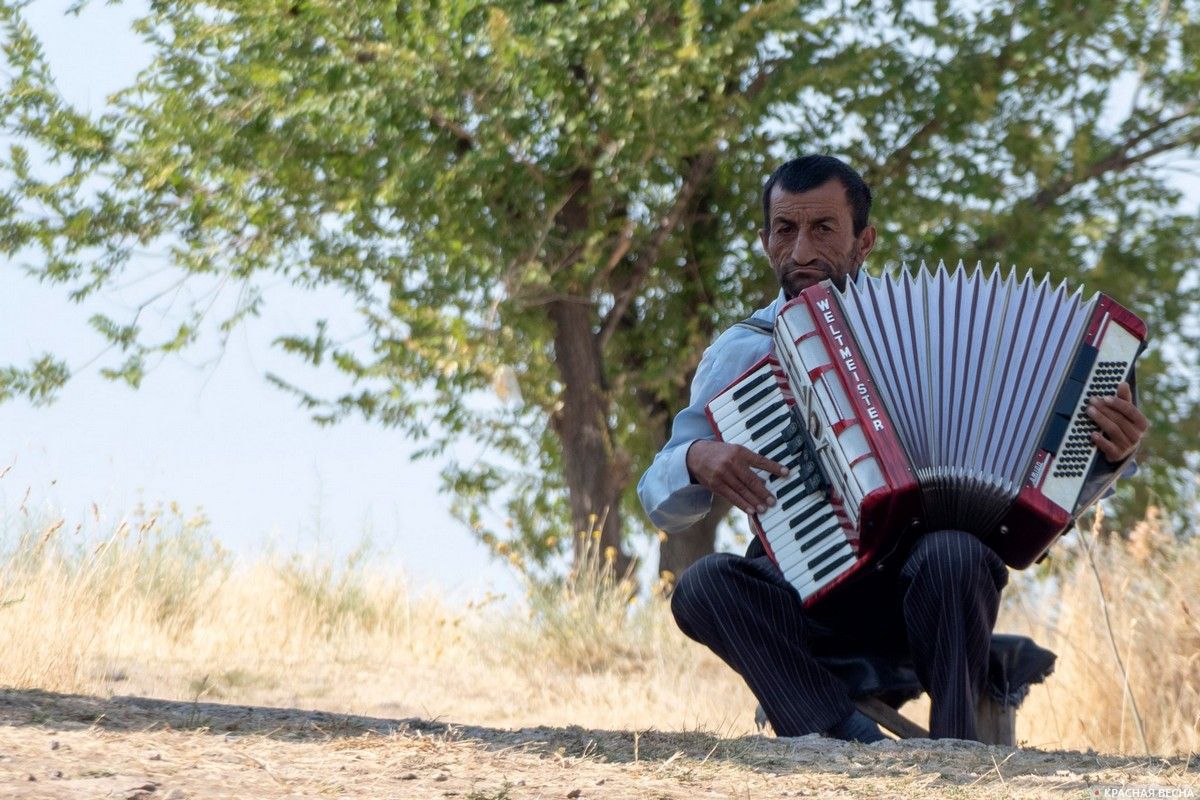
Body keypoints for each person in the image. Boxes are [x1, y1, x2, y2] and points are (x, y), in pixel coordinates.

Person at [637, 154, 1148, 742]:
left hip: (927, 594)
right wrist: (695, 460)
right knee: (703, 587)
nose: (801, 252)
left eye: (823, 229)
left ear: (865, 241)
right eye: (786, 230)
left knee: (955, 551)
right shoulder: (742, 351)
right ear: (765, 241)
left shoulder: (936, 330)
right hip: (804, 595)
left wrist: (1110, 452)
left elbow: (1051, 477)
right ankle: (844, 737)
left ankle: (955, 760)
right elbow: (659, 497)